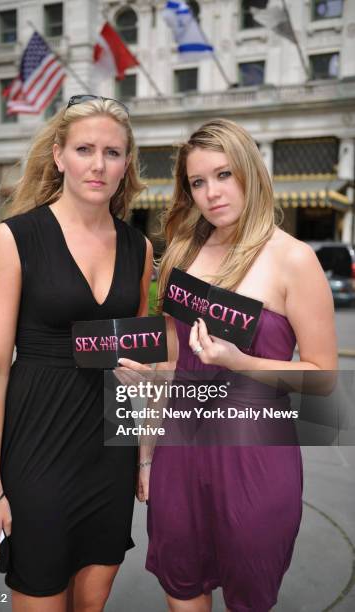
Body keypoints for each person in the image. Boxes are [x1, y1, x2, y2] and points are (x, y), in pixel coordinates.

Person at [119, 118, 337, 612]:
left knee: (249, 594)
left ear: (251, 172)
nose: (212, 193)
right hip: (179, 448)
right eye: (198, 181)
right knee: (181, 585)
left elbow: (323, 377)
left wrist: (242, 361)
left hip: (254, 453)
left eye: (224, 175)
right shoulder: (180, 254)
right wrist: (147, 452)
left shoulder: (294, 259)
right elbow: (172, 363)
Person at [0, 95, 153, 612]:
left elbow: (133, 362)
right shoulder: (16, 238)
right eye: (85, 149)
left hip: (108, 456)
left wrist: (143, 453)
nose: (98, 164)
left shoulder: (137, 247)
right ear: (58, 155)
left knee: (92, 604)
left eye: (113, 153)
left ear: (127, 164)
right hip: (37, 450)